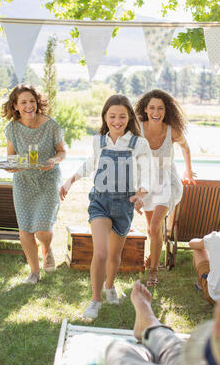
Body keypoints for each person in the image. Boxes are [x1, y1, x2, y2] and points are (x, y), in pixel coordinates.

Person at [60, 94, 152, 320]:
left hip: (124, 204)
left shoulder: (138, 143)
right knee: (100, 253)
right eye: (112, 116)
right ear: (105, 117)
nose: (117, 121)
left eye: (122, 116)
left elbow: (146, 173)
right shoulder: (99, 140)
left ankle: (109, 286)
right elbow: (91, 163)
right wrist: (70, 180)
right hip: (99, 201)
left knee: (114, 254)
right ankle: (95, 300)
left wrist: (140, 194)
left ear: (129, 117)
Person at [2, 84, 66, 284]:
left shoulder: (51, 124)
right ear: (15, 106)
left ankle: (47, 249)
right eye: (24, 102)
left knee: (42, 230)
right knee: (25, 231)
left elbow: (62, 152)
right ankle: (34, 272)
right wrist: (12, 167)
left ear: (37, 103)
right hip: (23, 181)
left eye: (32, 101)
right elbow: (11, 157)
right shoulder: (12, 128)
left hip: (47, 179)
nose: (29, 105)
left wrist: (53, 161)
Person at [135, 89, 195, 287]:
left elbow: (186, 148)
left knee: (154, 227)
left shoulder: (172, 131)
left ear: (165, 110)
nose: (156, 111)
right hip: (148, 185)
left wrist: (188, 171)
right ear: (145, 109)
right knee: (152, 229)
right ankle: (153, 257)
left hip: (168, 183)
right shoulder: (138, 129)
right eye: (152, 107)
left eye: (160, 108)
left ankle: (153, 271)